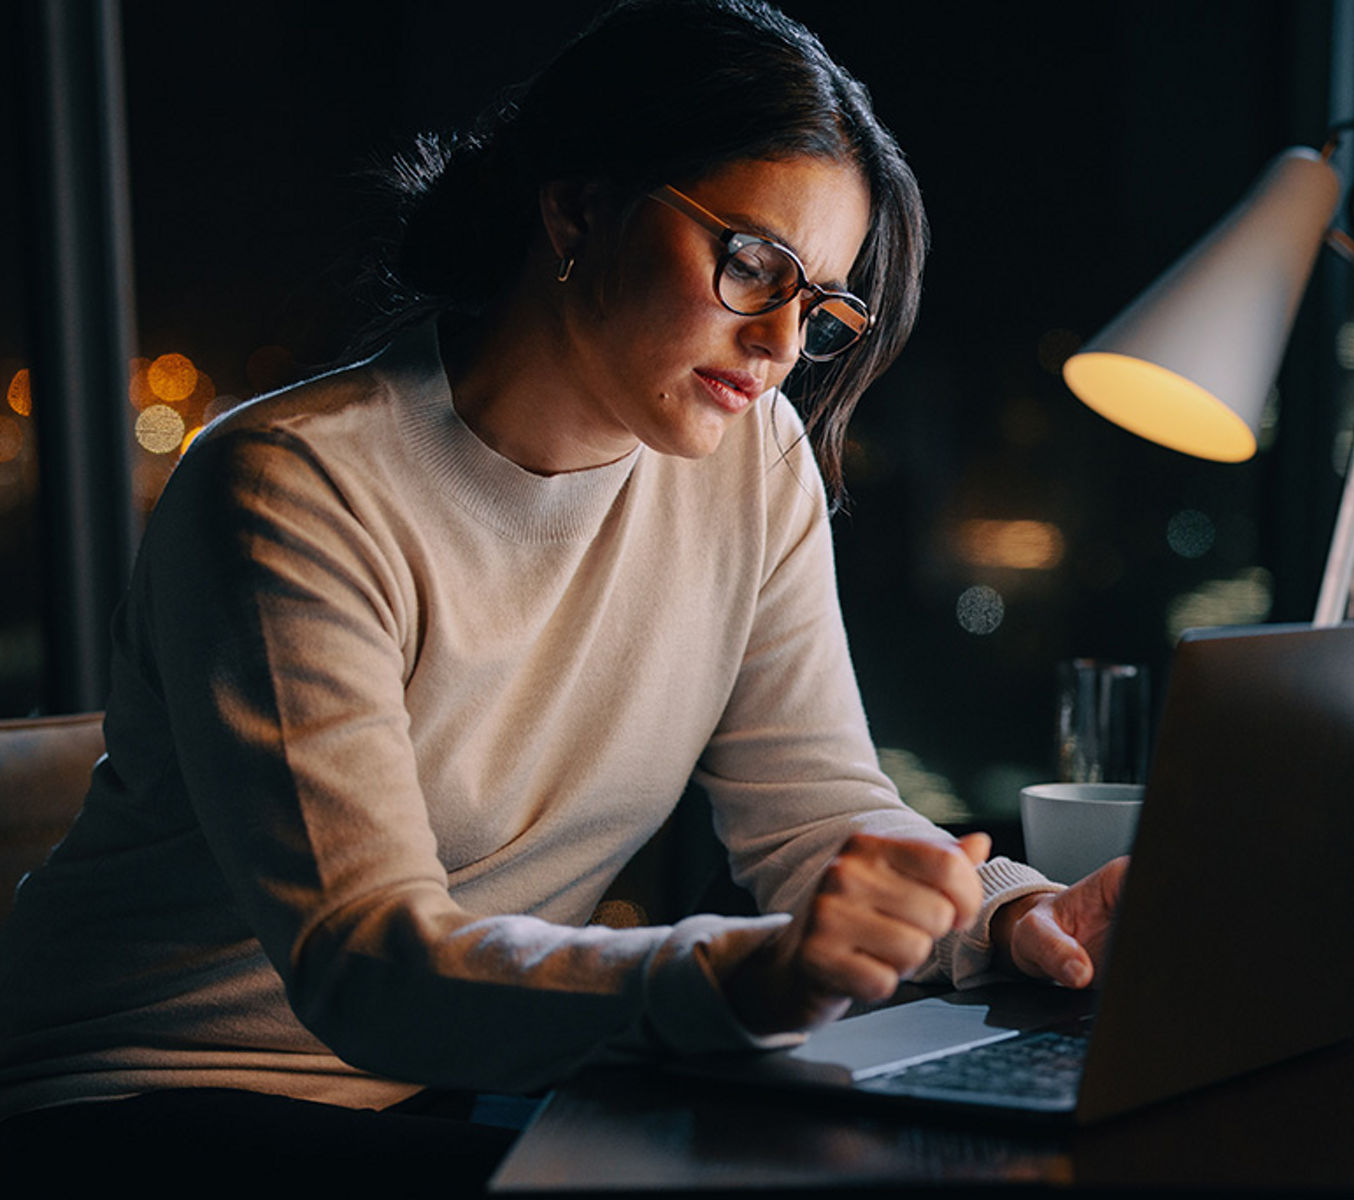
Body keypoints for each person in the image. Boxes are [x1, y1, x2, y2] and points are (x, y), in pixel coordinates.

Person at [0, 0, 1124, 1189]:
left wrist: (1007, 913)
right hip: (134, 1099)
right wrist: (749, 973)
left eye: (822, 305)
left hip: (438, 1088)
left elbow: (811, 815)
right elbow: (365, 965)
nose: (782, 342)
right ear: (577, 208)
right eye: (753, 265)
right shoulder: (293, 487)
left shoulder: (754, 461)